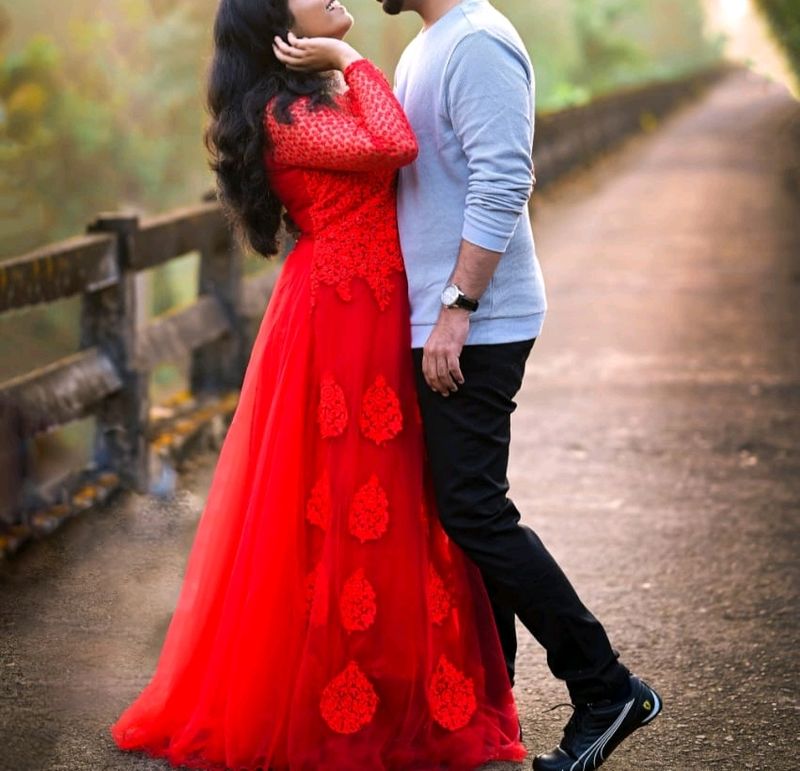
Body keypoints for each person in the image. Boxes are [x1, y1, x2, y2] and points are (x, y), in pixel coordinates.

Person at [108, 1, 526, 769]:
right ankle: (335, 695)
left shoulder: (313, 101)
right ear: (277, 22)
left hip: (373, 304)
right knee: (343, 498)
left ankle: (393, 681)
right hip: (339, 316)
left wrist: (343, 71)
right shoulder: (284, 113)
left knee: (396, 495)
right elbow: (397, 146)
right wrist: (345, 63)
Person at [378, 0, 663, 769]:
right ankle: (488, 700)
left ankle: (605, 686)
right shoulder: (426, 45)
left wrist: (457, 309)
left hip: (478, 320)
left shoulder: (476, 42)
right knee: (464, 510)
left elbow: (505, 176)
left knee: (473, 507)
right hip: (444, 319)